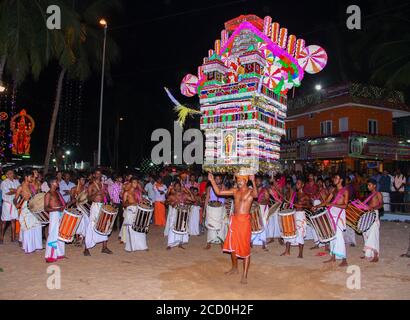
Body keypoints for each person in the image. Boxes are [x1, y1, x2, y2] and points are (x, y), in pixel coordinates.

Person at [208, 173, 257, 285]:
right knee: (232, 246)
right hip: (235, 221)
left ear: (245, 180)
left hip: (244, 222)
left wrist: (253, 181)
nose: (238, 181)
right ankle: (235, 268)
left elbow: (256, 194)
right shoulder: (235, 191)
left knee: (245, 248)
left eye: (241, 179)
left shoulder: (250, 191)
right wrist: (212, 181)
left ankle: (244, 275)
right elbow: (219, 193)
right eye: (237, 179)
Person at [314, 174, 348, 267]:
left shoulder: (345, 191)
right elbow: (326, 202)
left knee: (339, 236)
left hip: (339, 214)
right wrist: (316, 206)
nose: (334, 179)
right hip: (332, 213)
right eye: (334, 177)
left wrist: (333, 205)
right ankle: (333, 257)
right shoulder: (334, 190)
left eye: (336, 178)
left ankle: (344, 259)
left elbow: (345, 205)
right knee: (332, 236)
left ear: (341, 180)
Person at [84, 169, 113, 256]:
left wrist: (106, 194)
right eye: (97, 174)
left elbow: (107, 197)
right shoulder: (91, 186)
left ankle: (104, 247)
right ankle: (86, 248)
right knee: (91, 225)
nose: (99, 175)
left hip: (102, 206)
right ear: (94, 175)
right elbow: (88, 199)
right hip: (95, 206)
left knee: (104, 225)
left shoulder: (103, 185)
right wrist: (96, 192)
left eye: (100, 174)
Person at [14, 170, 43, 253]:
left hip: (33, 207)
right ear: (26, 177)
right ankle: (28, 248)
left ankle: (37, 246)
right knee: (28, 228)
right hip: (25, 208)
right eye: (31, 176)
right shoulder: (20, 187)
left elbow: (37, 194)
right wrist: (16, 204)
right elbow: (15, 199)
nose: (32, 178)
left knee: (36, 226)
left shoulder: (31, 186)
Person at [281, 179, 310, 258]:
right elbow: (290, 203)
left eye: (299, 183)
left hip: (301, 215)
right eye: (296, 183)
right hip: (293, 214)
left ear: (302, 185)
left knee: (300, 233)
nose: (297, 184)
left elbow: (309, 206)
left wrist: (301, 206)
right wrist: (287, 207)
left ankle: (300, 253)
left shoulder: (305, 195)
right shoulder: (294, 194)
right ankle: (287, 251)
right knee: (289, 231)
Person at [164, 182, 194, 250]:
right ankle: (170, 244)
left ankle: (180, 243)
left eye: (178, 186)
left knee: (182, 227)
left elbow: (193, 200)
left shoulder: (185, 195)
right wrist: (171, 203)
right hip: (174, 213)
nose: (177, 187)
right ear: (174, 188)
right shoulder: (172, 196)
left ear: (181, 187)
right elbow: (166, 202)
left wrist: (189, 191)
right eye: (176, 186)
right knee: (172, 227)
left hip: (183, 213)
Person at [44, 175, 66, 263]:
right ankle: (50, 255)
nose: (58, 183)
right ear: (52, 183)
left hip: (59, 214)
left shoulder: (57, 193)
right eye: (56, 182)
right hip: (54, 215)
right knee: (53, 234)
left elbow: (62, 204)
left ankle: (59, 253)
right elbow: (46, 208)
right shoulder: (48, 194)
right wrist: (57, 209)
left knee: (60, 233)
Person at [122, 177, 148, 251]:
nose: (135, 184)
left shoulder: (138, 192)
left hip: (138, 210)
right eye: (134, 182)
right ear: (130, 183)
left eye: (136, 183)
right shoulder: (126, 192)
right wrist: (131, 203)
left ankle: (143, 246)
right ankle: (130, 247)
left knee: (140, 228)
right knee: (131, 229)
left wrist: (144, 201)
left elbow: (141, 201)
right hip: (130, 211)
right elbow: (123, 204)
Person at [360, 179, 383, 263]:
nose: (368, 186)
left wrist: (373, 208)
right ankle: (368, 254)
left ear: (374, 185)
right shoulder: (369, 195)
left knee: (373, 235)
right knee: (366, 233)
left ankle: (376, 256)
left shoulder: (378, 193)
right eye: (367, 185)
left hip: (374, 215)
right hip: (369, 215)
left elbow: (381, 204)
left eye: (369, 185)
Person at [204, 175, 227, 249]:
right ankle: (209, 242)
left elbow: (226, 197)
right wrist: (205, 209)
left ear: (221, 180)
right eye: (216, 179)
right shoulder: (210, 188)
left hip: (221, 209)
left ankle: (221, 242)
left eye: (219, 179)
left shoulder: (224, 187)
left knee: (222, 225)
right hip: (211, 209)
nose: (217, 180)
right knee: (211, 225)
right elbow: (207, 198)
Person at [0, 169, 20, 244]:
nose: (11, 174)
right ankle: (1, 238)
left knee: (13, 220)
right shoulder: (4, 183)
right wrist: (16, 190)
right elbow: (8, 193)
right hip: (7, 204)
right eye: (9, 173)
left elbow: (19, 190)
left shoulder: (16, 181)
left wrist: (14, 190)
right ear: (6, 175)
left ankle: (13, 238)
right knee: (4, 221)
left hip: (14, 204)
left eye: (12, 173)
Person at [251, 176, 269, 250]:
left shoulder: (265, 190)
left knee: (263, 224)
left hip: (263, 208)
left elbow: (267, 200)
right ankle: (251, 241)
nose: (257, 182)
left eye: (258, 181)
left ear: (261, 182)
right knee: (254, 224)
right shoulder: (253, 190)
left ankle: (264, 242)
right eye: (256, 181)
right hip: (255, 209)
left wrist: (259, 203)